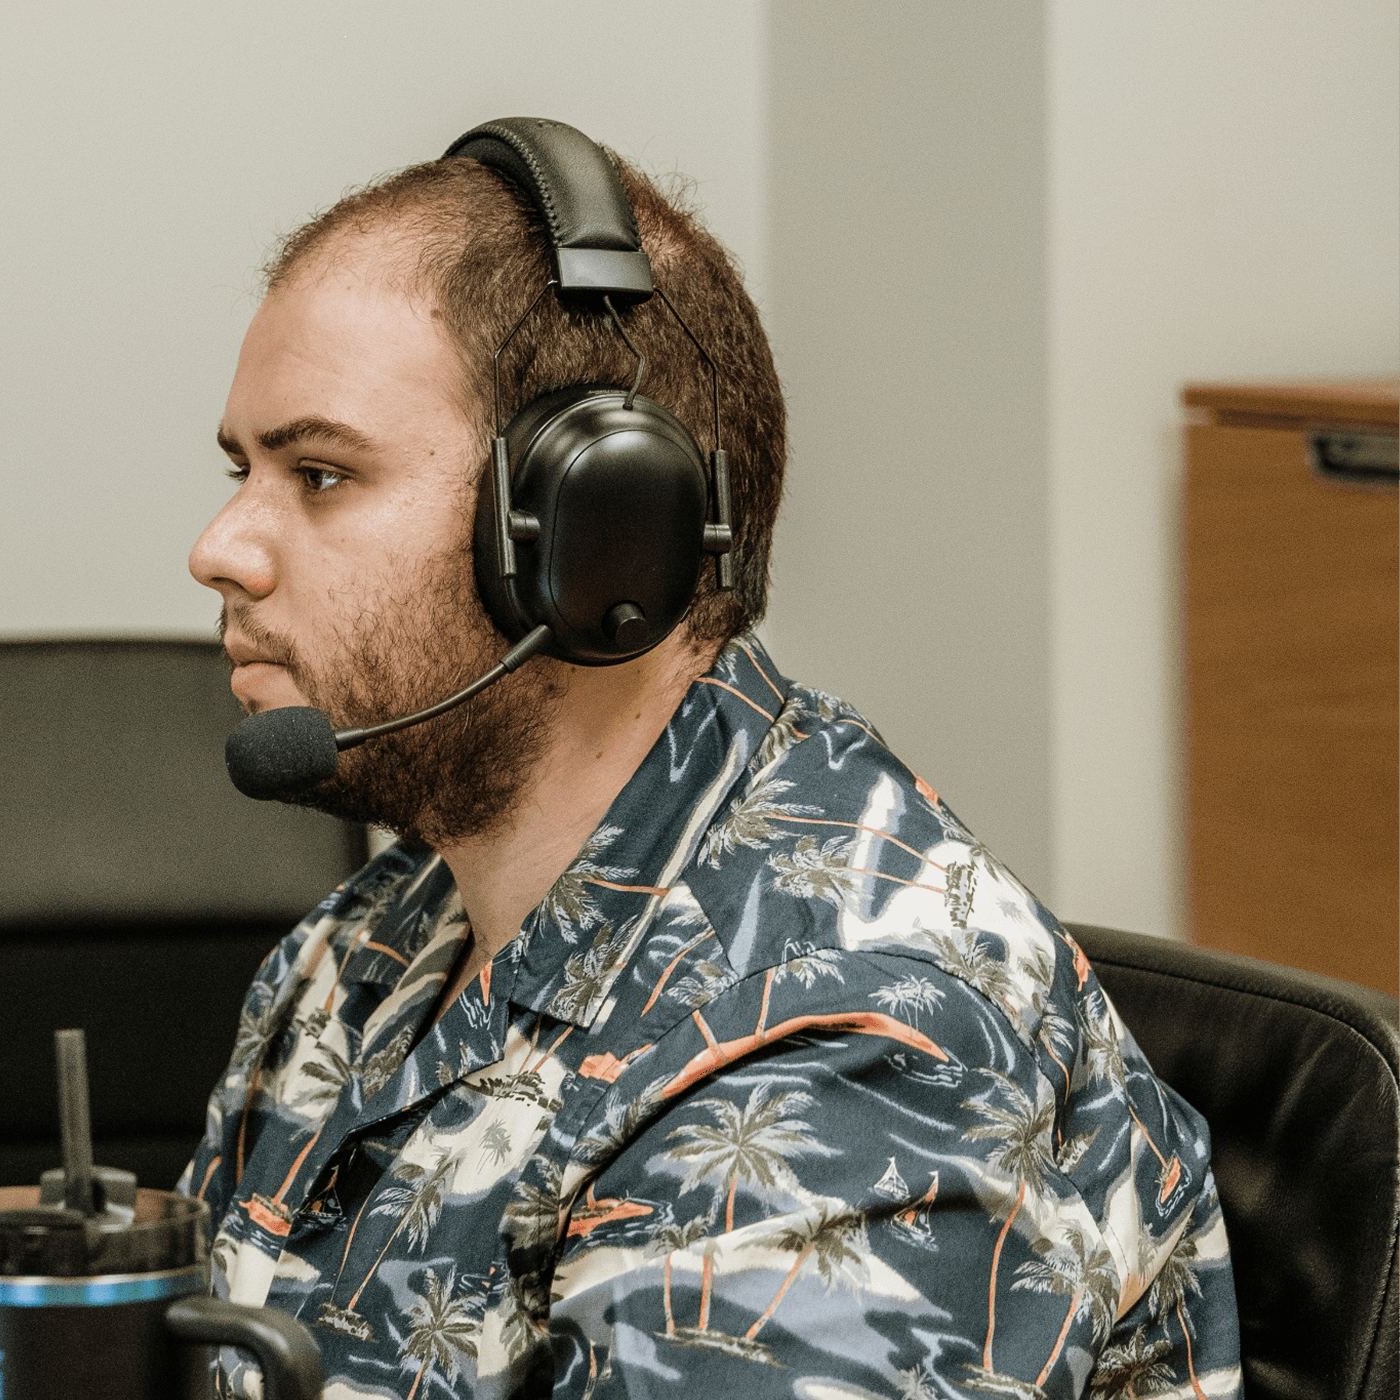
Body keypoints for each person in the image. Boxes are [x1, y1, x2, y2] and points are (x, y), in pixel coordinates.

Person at [177, 128, 1240, 1400]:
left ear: (596, 541)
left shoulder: (847, 1055)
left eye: (320, 473)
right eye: (245, 471)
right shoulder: (373, 941)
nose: (223, 546)